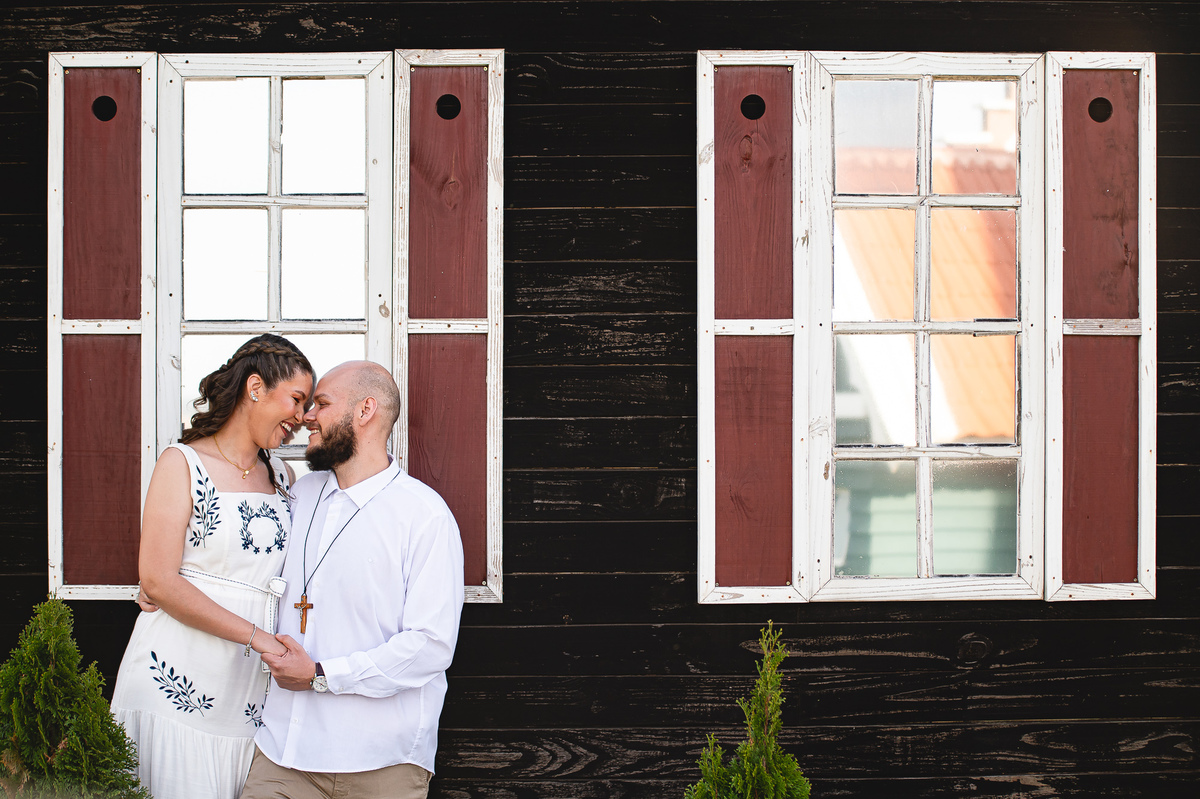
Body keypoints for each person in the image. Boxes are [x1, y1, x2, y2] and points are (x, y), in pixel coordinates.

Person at [240, 360, 465, 799]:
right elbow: (245, 560)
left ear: (365, 411)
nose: (307, 417)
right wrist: (168, 582)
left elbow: (430, 645)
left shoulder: (425, 515)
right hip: (284, 754)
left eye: (321, 403)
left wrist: (322, 675)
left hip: (380, 762)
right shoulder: (299, 495)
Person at [111, 334, 315, 799]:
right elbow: (158, 580)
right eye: (297, 399)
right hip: (177, 675)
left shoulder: (285, 477)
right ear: (256, 388)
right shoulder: (181, 463)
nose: (302, 419)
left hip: (249, 690)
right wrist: (258, 637)